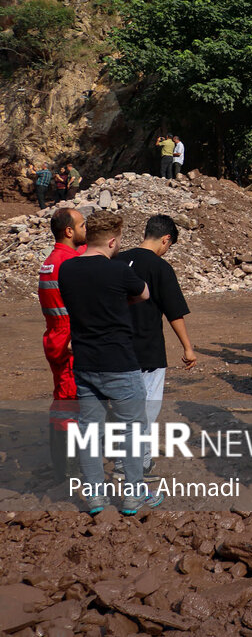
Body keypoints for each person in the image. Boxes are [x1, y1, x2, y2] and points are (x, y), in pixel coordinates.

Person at [58, 211, 161, 516]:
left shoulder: (67, 270)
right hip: (119, 362)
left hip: (85, 362)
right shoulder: (119, 272)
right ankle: (132, 496)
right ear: (113, 241)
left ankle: (94, 499)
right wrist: (120, 301)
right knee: (132, 429)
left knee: (90, 431)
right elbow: (144, 294)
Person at [115, 214, 198, 473]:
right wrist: (187, 347)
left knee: (122, 407)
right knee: (147, 408)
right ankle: (135, 463)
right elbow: (174, 312)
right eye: (169, 246)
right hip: (147, 348)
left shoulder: (116, 260)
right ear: (166, 239)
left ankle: (129, 458)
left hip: (115, 348)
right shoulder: (160, 268)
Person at [38, 207, 86, 480]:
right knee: (69, 403)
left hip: (56, 339)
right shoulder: (68, 263)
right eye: (82, 225)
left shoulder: (52, 261)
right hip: (68, 342)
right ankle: (68, 468)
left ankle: (66, 462)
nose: (85, 229)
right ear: (69, 231)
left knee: (63, 398)